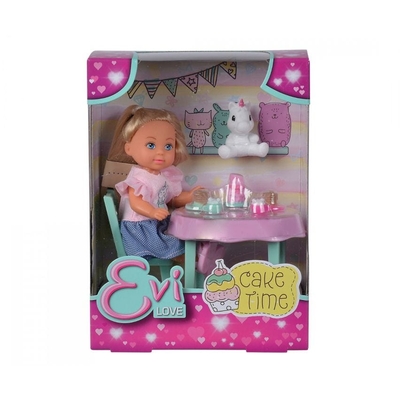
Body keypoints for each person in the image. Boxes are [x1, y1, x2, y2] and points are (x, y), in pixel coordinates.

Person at [114, 105, 201, 260]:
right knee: (177, 244)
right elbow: (136, 203)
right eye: (151, 145)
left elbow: (171, 199)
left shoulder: (164, 175)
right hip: (141, 229)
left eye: (168, 146)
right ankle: (191, 261)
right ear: (129, 148)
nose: (160, 152)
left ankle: (194, 259)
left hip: (156, 223)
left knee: (186, 234)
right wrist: (152, 212)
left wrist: (190, 197)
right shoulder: (138, 178)